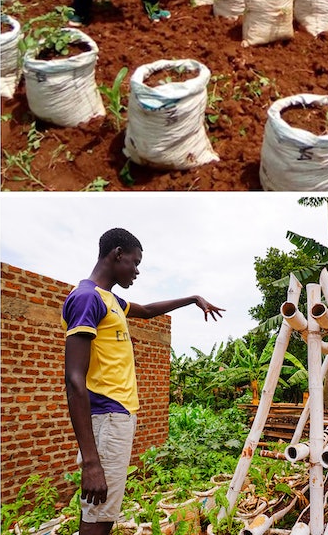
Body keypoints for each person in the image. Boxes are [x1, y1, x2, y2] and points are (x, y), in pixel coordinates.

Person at [63, 228, 222, 535]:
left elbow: (147, 311)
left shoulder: (108, 300)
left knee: (103, 512)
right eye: (134, 263)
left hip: (116, 416)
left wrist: (192, 299)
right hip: (106, 416)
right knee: (99, 515)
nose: (136, 271)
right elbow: (74, 380)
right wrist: (92, 463)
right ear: (117, 253)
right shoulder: (86, 299)